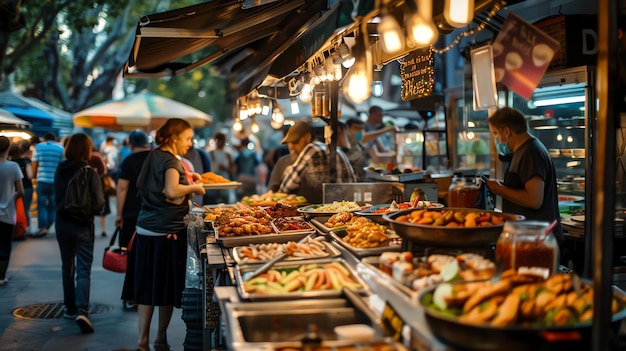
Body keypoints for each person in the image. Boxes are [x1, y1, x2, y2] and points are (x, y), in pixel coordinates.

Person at [133, 118, 206, 351]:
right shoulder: (171, 161)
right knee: (164, 287)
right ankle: (160, 339)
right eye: (187, 138)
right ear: (174, 137)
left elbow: (158, 187)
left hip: (145, 230)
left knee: (146, 287)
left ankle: (142, 340)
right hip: (167, 232)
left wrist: (189, 179)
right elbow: (172, 190)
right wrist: (194, 188)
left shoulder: (153, 155)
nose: (189, 143)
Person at [54, 132, 105, 333]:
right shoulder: (89, 171)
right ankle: (82, 310)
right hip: (83, 225)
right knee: (83, 269)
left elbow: (56, 194)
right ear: (86, 150)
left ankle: (69, 308)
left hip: (62, 223)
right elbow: (100, 203)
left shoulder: (60, 169)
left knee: (67, 267)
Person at [486, 107, 563, 239]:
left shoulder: (531, 152)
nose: (496, 140)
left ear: (506, 131)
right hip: (526, 235)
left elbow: (534, 200)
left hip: (537, 239)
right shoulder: (521, 151)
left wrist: (499, 189)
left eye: (495, 133)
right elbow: (522, 186)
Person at [115, 130, 151, 311]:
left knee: (131, 255)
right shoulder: (155, 158)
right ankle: (146, 293)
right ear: (147, 143)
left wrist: (118, 214)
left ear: (130, 144)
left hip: (131, 214)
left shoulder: (128, 161)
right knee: (147, 256)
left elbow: (122, 188)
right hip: (152, 214)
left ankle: (132, 296)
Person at [279, 121, 356, 203]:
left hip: (325, 207)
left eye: (296, 142)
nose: (293, 148)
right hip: (346, 205)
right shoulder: (336, 150)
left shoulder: (311, 148)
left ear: (307, 137)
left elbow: (287, 186)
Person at [0, 136, 24, 285]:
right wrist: (11, 198)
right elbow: (21, 191)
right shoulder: (13, 166)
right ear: (8, 148)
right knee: (5, 245)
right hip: (8, 213)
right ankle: (1, 276)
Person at [32, 132, 64, 237]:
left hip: (42, 180)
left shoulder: (38, 147)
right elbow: (63, 165)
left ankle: (42, 227)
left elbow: (34, 163)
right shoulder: (60, 148)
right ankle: (49, 224)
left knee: (41, 205)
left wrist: (34, 177)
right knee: (53, 205)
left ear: (44, 139)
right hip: (55, 181)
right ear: (55, 138)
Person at [10, 140, 34, 235]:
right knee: (26, 209)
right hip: (27, 187)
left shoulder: (11, 162)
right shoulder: (26, 161)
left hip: (14, 188)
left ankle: (15, 227)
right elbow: (30, 175)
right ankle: (27, 228)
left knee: (15, 209)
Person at [207, 132, 236, 203]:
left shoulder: (228, 154)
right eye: (219, 140)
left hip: (225, 182)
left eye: (222, 140)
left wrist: (223, 167)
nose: (221, 142)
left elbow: (232, 170)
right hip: (213, 183)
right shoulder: (210, 153)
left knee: (225, 201)